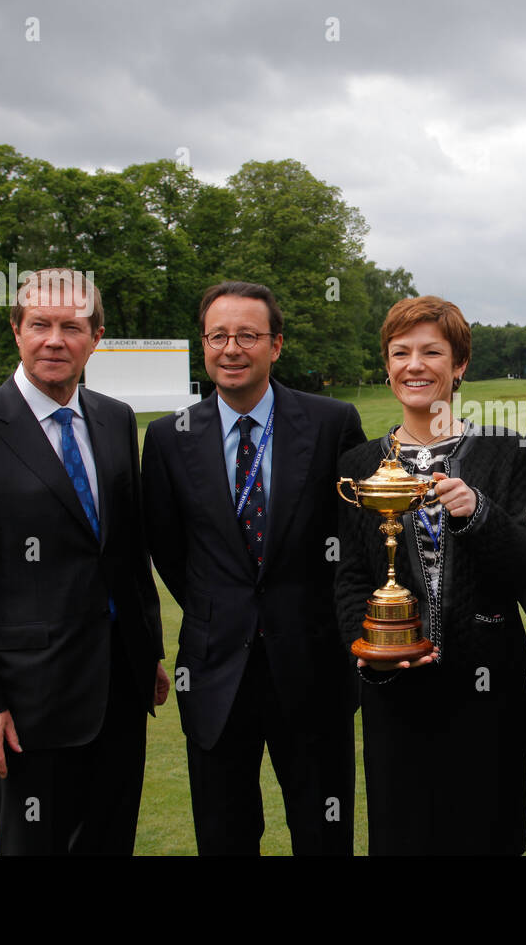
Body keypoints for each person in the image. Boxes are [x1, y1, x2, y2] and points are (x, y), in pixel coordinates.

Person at [0, 267, 168, 855]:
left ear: (96, 338)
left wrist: (148, 652)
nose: (55, 339)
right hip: (28, 701)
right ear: (17, 331)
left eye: (72, 327)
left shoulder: (114, 419)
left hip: (118, 689)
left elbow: (127, 554)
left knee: (110, 842)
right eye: (40, 325)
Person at [142, 280, 365, 855]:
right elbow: (168, 549)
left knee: (323, 834)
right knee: (224, 835)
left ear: (276, 345)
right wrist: (220, 608)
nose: (231, 348)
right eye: (219, 336)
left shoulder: (331, 423)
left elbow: (353, 539)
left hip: (314, 668)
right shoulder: (170, 436)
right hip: (215, 671)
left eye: (247, 335)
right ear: (204, 344)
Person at [335, 296, 526, 855]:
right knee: (403, 837)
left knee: (486, 836)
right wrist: (373, 650)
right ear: (387, 365)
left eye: (432, 351)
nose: (414, 365)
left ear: (460, 364)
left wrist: (479, 513)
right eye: (400, 352)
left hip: (487, 688)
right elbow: (350, 576)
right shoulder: (360, 465)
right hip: (396, 692)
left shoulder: (503, 451)